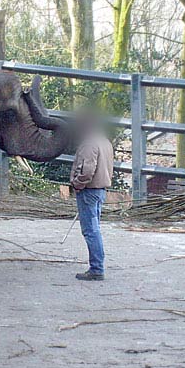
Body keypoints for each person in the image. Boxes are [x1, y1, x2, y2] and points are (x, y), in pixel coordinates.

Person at [70, 114, 114, 281]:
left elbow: (87, 170)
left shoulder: (89, 144)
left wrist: (77, 183)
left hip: (88, 190)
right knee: (95, 229)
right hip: (100, 190)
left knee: (90, 231)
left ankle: (96, 268)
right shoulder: (105, 142)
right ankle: (97, 265)